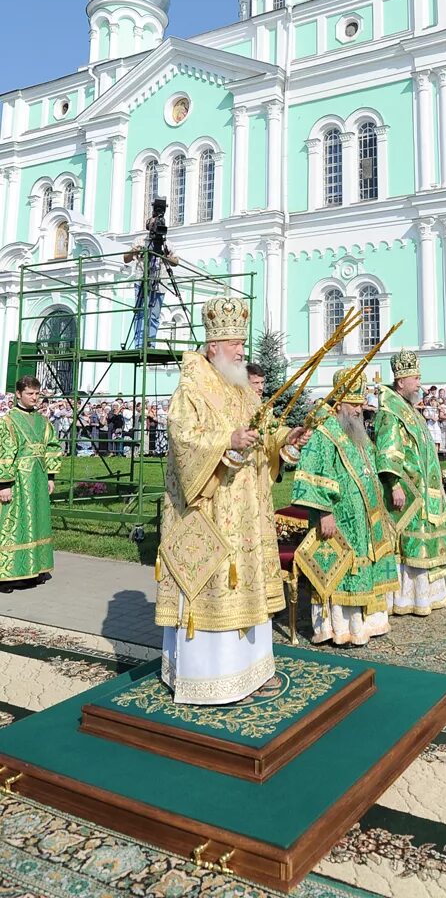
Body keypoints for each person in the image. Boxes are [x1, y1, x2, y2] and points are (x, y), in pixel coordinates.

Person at [155, 296, 311, 704]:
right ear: (213, 347)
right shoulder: (192, 388)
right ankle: (213, 678)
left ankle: (252, 671)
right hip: (212, 512)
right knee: (217, 587)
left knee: (250, 588)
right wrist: (227, 440)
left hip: (248, 514)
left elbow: (266, 431)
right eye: (234, 344)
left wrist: (287, 438)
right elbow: (182, 439)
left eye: (242, 343)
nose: (242, 350)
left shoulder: (244, 389)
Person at [292, 369, 399, 645]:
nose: (359, 409)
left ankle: (367, 623)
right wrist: (324, 512)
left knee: (365, 565)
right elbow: (314, 472)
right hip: (339, 516)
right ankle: (340, 627)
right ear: (339, 404)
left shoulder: (354, 430)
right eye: (353, 404)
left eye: (361, 404)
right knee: (342, 570)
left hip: (366, 518)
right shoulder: (324, 432)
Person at [373, 349, 446, 616]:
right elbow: (388, 451)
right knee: (408, 544)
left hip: (423, 489)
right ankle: (406, 598)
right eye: (416, 378)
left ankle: (424, 596)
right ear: (401, 382)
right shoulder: (391, 412)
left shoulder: (407, 408)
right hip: (408, 491)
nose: (420, 383)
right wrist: (394, 484)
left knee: (424, 541)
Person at [0, 376, 62, 594]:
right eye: (30, 394)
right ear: (18, 394)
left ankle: (35, 569)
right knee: (14, 524)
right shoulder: (8, 421)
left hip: (38, 477)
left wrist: (51, 476)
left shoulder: (43, 421)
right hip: (17, 480)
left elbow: (52, 446)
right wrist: (4, 484)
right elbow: (4, 452)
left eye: (37, 394)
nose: (34, 398)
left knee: (37, 521)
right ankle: (8, 575)